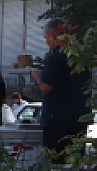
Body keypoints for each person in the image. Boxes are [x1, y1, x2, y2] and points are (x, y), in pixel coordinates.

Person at [35, 18, 90, 155]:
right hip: (79, 117)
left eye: (46, 38)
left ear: (52, 36)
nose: (47, 42)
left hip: (58, 120)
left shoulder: (56, 57)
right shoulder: (80, 56)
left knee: (56, 161)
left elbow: (47, 87)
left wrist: (37, 77)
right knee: (76, 158)